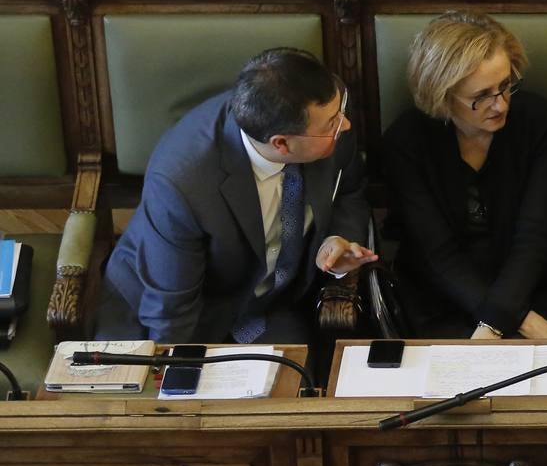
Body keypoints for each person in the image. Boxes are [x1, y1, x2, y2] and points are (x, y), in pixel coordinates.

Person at [96, 48, 376, 343]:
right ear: (281, 143)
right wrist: (175, 371)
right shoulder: (182, 183)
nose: (345, 125)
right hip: (176, 311)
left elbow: (349, 188)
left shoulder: (328, 104)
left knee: (298, 381)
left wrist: (336, 237)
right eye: (332, 125)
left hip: (273, 306)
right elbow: (172, 309)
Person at [380, 12, 547, 340]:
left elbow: (534, 236)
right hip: (446, 291)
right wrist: (514, 322)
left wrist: (496, 320)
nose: (500, 105)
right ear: (443, 95)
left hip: (538, 279)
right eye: (481, 97)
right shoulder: (405, 141)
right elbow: (437, 252)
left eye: (506, 85)